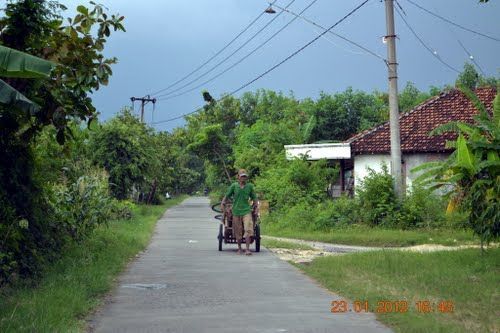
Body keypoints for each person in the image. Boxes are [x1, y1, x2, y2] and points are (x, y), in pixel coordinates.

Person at [221, 169, 257, 255]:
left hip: (246, 211)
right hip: (236, 211)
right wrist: (223, 203)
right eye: (242, 176)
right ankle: (239, 248)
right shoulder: (234, 186)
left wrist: (256, 207)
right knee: (238, 231)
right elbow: (227, 196)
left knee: (247, 229)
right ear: (238, 177)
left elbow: (254, 198)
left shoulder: (250, 186)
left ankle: (247, 249)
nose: (243, 178)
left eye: (245, 176)